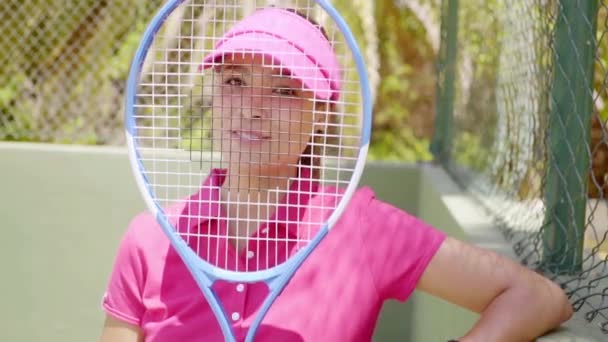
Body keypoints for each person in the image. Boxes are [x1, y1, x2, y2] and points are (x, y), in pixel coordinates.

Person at [100, 7, 572, 342]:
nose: (252, 109)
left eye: (284, 91)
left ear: (322, 114)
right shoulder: (150, 240)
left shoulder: (362, 228)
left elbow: (537, 297)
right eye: (235, 82)